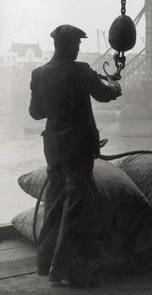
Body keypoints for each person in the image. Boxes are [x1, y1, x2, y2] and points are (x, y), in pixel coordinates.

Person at [29, 24, 122, 286]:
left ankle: (44, 263)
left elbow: (36, 113)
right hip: (79, 148)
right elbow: (104, 95)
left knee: (55, 200)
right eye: (77, 45)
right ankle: (63, 269)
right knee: (78, 205)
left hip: (54, 147)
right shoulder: (80, 71)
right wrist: (115, 88)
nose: (79, 48)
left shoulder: (39, 73)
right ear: (69, 46)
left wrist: (57, 104)